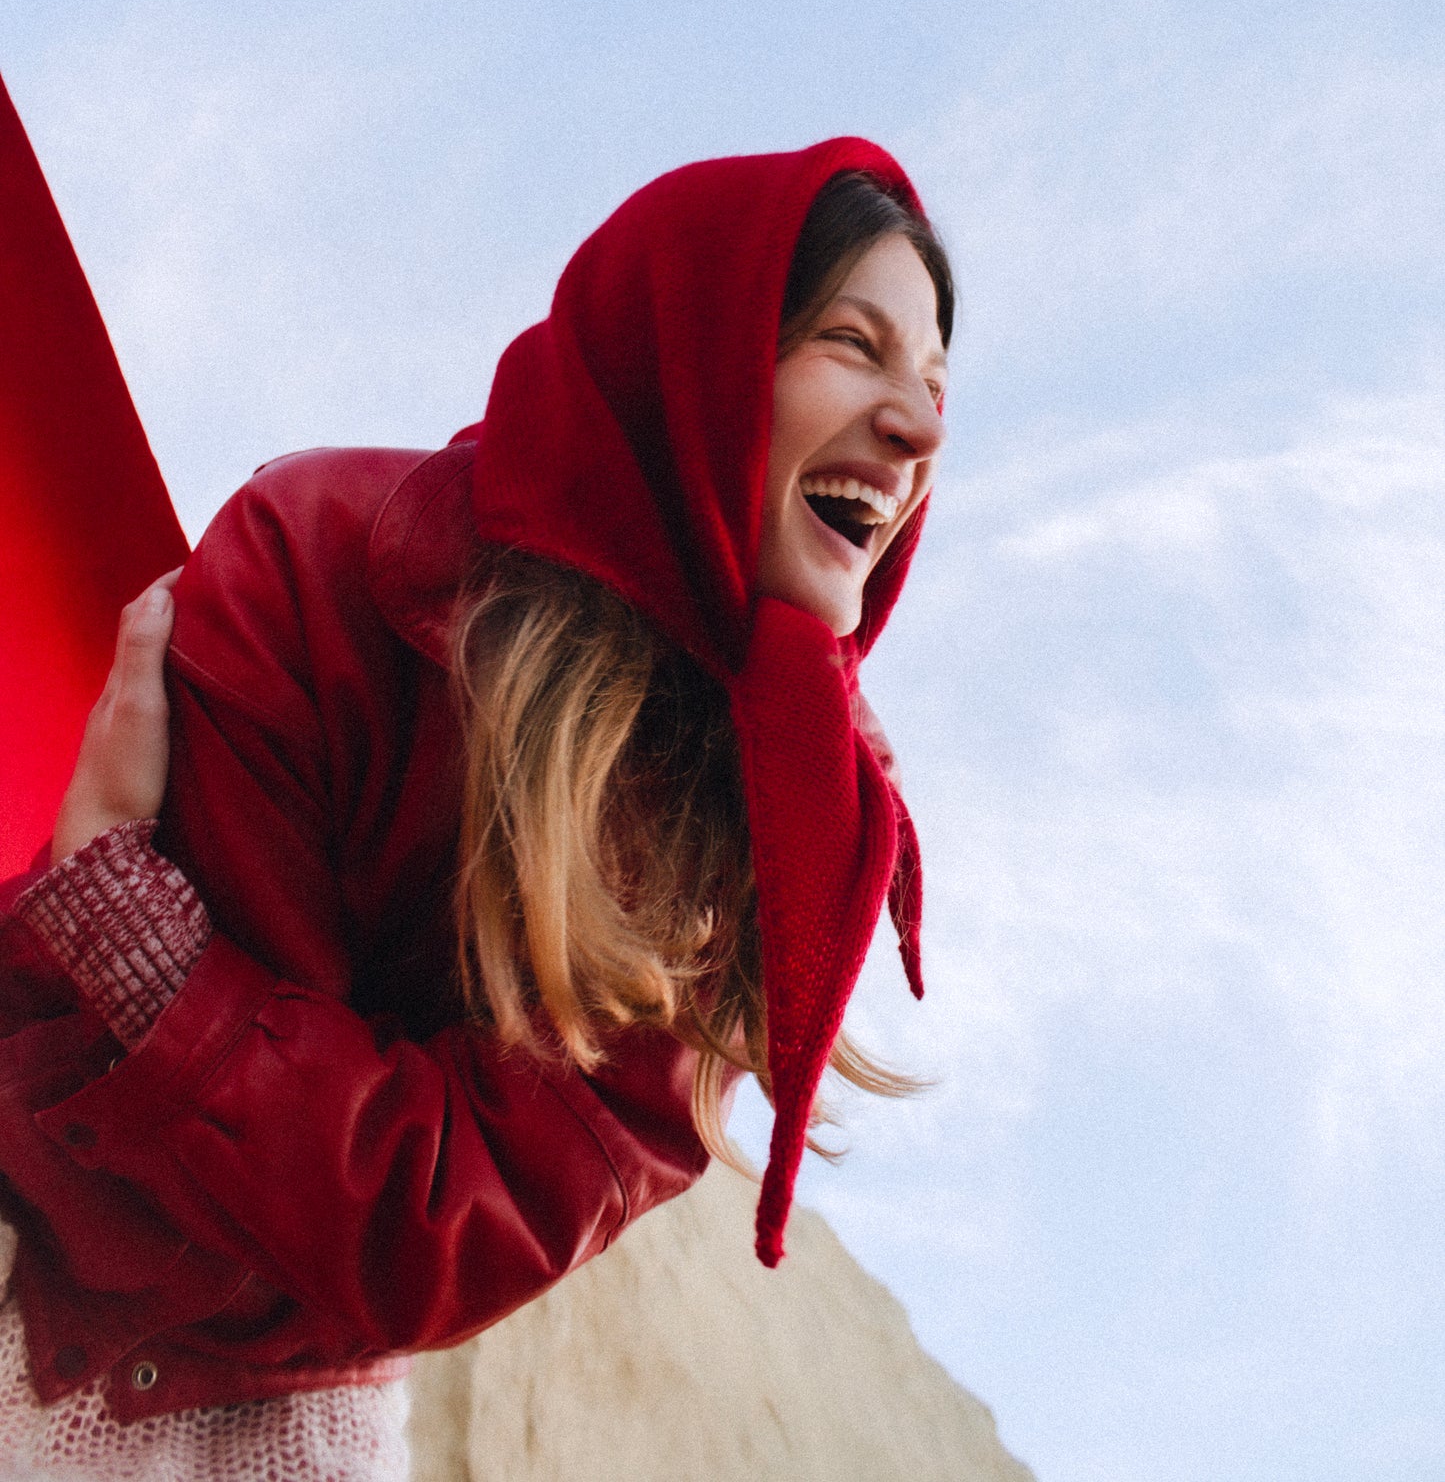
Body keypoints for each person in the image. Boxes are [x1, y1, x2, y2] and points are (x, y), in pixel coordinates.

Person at [0, 139, 952, 1481]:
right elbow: (221, 1206)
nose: (921, 430)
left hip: (298, 1421)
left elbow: (426, 1234)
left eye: (936, 385)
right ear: (694, 349)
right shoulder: (320, 551)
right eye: (855, 346)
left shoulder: (772, 838)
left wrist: (142, 953)